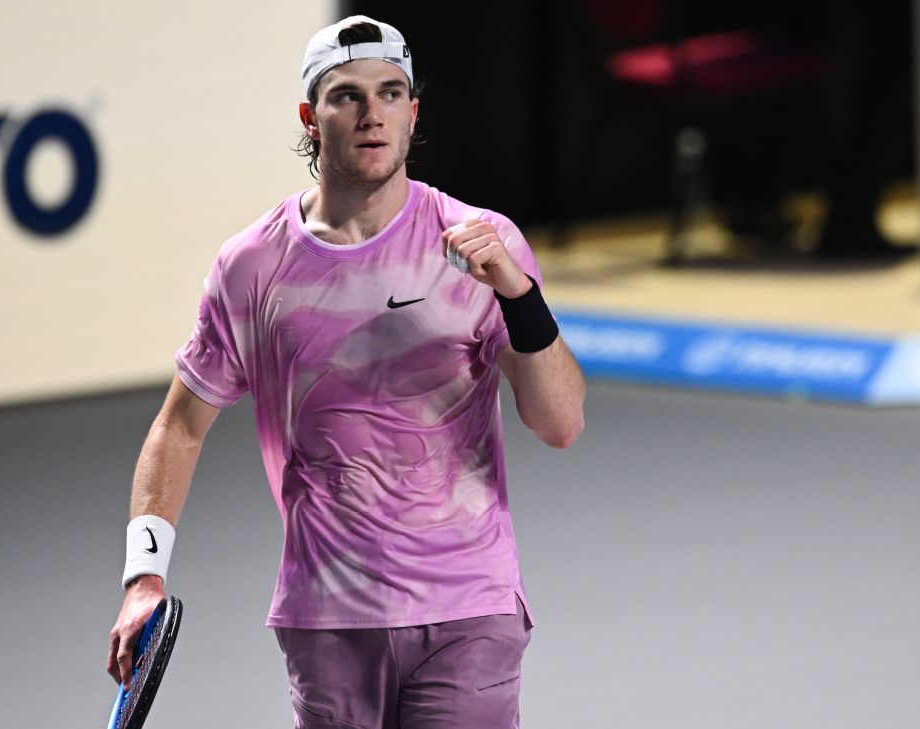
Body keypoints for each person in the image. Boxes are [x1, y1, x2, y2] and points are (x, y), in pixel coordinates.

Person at [106, 15, 586, 728]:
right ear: (310, 117)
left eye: (391, 93)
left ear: (413, 112)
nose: (372, 114)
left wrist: (518, 294)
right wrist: (144, 576)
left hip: (468, 606)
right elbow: (179, 425)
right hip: (327, 620)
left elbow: (561, 423)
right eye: (347, 96)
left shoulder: (487, 245)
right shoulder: (252, 266)